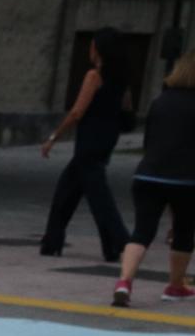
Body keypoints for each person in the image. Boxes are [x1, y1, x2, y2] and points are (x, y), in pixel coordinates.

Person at [41, 27, 133, 261]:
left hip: (89, 140)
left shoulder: (94, 76)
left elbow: (77, 112)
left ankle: (120, 241)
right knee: (69, 189)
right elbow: (127, 112)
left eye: (92, 46)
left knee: (98, 196)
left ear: (99, 50)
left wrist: (53, 137)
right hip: (107, 139)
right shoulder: (122, 81)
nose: (89, 50)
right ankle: (53, 241)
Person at [112, 51, 195, 306]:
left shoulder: (160, 101)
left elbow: (149, 141)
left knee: (142, 231)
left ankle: (124, 282)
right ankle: (175, 286)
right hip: (186, 180)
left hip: (148, 174)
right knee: (183, 232)